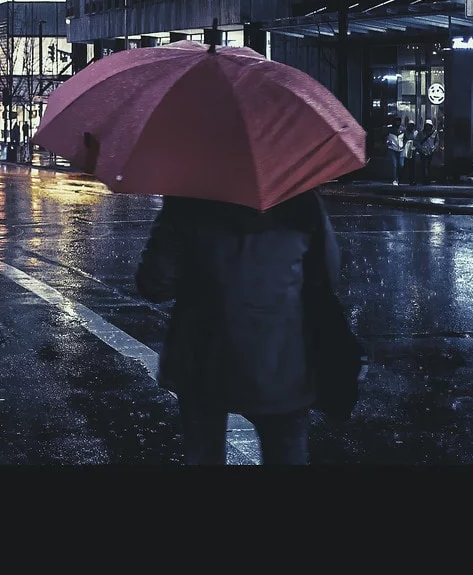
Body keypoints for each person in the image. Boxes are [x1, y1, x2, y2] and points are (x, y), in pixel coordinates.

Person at [135, 190, 344, 465]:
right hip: (282, 357)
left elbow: (154, 284)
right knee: (285, 454)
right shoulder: (299, 198)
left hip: (202, 356)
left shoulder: (188, 197)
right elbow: (328, 275)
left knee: (203, 454)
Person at [384, 120, 406, 185]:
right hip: (392, 149)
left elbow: (405, 139)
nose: (397, 122)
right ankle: (395, 179)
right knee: (394, 165)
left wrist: (404, 146)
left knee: (401, 165)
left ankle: (399, 178)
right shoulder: (390, 130)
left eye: (398, 121)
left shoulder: (403, 130)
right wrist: (388, 143)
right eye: (396, 121)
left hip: (401, 149)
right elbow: (386, 138)